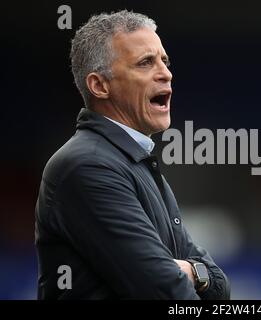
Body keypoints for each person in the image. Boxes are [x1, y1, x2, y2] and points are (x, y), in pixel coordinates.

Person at [35, 10, 230, 300]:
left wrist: (191, 272)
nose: (166, 73)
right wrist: (191, 273)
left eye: (164, 61)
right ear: (100, 86)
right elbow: (165, 291)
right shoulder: (87, 165)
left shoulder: (134, 161)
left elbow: (220, 288)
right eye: (145, 63)